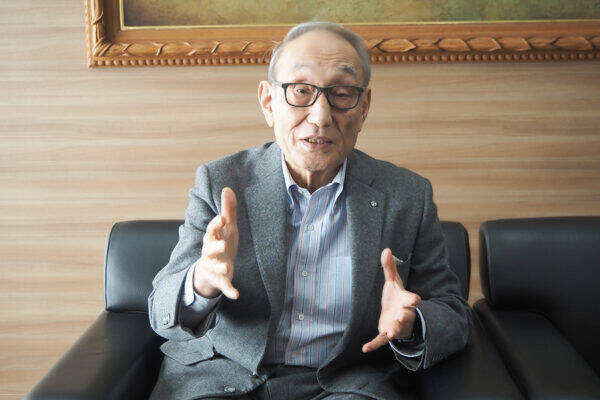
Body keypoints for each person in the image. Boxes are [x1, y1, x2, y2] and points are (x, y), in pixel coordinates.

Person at [148, 21, 471, 400]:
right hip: (221, 375)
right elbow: (161, 311)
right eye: (301, 91)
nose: (320, 117)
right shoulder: (220, 182)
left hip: (346, 384)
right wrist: (202, 281)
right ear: (269, 102)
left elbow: (452, 312)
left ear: (364, 107)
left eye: (342, 93)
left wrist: (412, 322)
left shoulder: (407, 196)